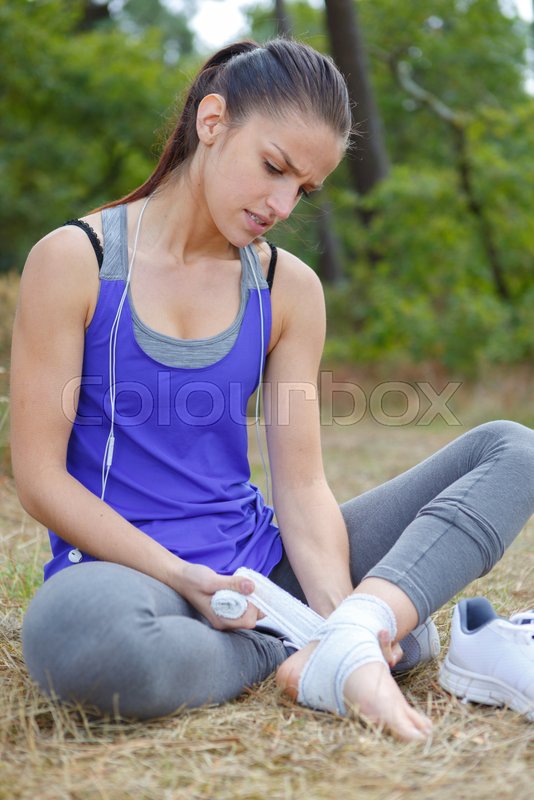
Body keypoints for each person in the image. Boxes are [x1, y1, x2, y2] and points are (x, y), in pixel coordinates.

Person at [11, 39, 534, 742]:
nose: (283, 204)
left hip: (265, 568)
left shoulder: (287, 288)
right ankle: (317, 647)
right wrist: (183, 577)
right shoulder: (76, 261)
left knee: (514, 452)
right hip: (128, 579)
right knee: (81, 639)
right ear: (212, 121)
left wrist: (338, 610)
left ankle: (345, 637)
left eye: (304, 189)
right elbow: (39, 479)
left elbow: (302, 484)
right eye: (273, 167)